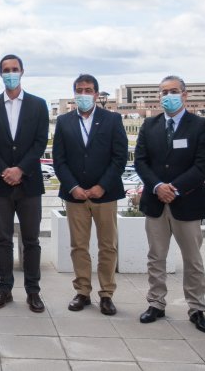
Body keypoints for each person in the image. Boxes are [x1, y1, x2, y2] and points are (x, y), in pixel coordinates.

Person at [133, 75, 205, 333]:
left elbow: (203, 165)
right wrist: (158, 187)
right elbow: (141, 161)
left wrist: (175, 188)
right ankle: (156, 303)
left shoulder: (200, 125)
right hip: (156, 202)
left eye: (174, 91)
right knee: (156, 257)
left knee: (192, 259)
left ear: (185, 94)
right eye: (164, 92)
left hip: (187, 202)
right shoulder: (149, 125)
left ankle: (197, 308)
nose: (168, 96)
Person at [52, 73, 128, 316]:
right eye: (79, 90)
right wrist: (73, 186)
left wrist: (102, 186)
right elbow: (59, 159)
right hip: (75, 195)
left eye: (88, 90)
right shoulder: (64, 121)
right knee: (79, 246)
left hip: (104, 195)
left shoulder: (112, 119)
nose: (83, 94)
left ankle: (106, 294)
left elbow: (119, 157)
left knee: (107, 246)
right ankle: (82, 291)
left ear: (96, 94)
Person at [0, 55, 49, 313]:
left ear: (22, 72)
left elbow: (40, 142)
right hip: (0, 185)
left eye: (14, 69)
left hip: (29, 184)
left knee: (31, 240)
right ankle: (4, 289)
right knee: (3, 240)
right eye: (6, 70)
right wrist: (5, 171)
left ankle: (33, 291)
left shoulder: (38, 105)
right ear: (0, 74)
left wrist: (20, 169)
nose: (11, 73)